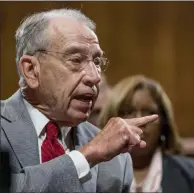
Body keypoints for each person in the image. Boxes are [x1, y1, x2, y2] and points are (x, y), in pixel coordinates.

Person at [0, 9, 158, 192]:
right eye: (76, 60)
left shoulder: (116, 159)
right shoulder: (98, 151)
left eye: (97, 62)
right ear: (31, 70)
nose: (94, 77)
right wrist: (86, 157)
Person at [98, 75, 194, 193]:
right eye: (128, 112)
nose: (140, 120)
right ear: (110, 120)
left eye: (149, 112)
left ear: (164, 123)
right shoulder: (93, 176)